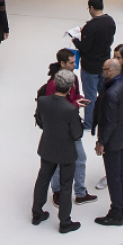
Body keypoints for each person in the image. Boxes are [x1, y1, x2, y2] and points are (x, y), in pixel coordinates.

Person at [32, 68, 85, 233]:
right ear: (70, 88)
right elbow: (77, 133)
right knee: (66, 184)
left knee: (43, 179)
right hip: (66, 151)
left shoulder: (43, 101)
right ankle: (65, 221)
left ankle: (36, 213)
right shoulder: (70, 110)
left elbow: (40, 121)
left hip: (48, 145)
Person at [45, 49, 96, 208]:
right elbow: (53, 106)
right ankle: (58, 191)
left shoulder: (73, 78)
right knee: (59, 161)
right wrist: (75, 104)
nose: (75, 65)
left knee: (80, 158)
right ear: (62, 63)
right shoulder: (53, 84)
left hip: (73, 126)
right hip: (59, 129)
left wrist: (80, 99)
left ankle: (80, 192)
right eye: (72, 62)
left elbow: (75, 95)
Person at [92, 58, 123, 226]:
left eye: (104, 70)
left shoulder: (110, 93)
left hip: (112, 140)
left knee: (113, 176)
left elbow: (109, 121)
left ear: (110, 71)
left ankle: (116, 212)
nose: (102, 73)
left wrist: (101, 142)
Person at [73, 0, 115, 132]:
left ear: (91, 8)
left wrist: (75, 40)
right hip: (105, 65)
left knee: (90, 96)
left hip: (90, 66)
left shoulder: (91, 27)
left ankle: (89, 122)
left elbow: (85, 48)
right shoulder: (110, 22)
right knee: (104, 93)